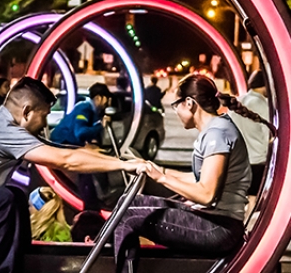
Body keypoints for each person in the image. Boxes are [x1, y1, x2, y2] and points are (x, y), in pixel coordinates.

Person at [0, 77, 137, 273]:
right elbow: (65, 159)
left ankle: (25, 260)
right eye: (44, 115)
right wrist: (123, 166)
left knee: (15, 196)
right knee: (3, 201)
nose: (45, 124)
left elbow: (60, 149)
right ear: (26, 112)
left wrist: (121, 162)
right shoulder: (5, 133)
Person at [112, 74, 270, 273]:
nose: (175, 111)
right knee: (128, 202)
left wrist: (161, 177)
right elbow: (199, 179)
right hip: (215, 223)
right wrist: (157, 169)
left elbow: (206, 193)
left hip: (219, 229)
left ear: (189, 103)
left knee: (127, 215)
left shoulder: (217, 133)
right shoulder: (214, 129)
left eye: (175, 105)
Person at [50, 82, 113, 211]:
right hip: (62, 144)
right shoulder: (84, 109)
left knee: (91, 166)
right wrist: (100, 126)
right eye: (107, 99)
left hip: (71, 145)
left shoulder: (94, 112)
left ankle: (94, 202)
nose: (108, 103)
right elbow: (80, 132)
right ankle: (90, 206)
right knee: (85, 169)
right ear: (98, 98)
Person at [228, 70, 269, 219]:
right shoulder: (262, 105)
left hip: (238, 160)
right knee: (253, 199)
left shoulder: (240, 101)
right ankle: (246, 229)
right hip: (256, 160)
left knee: (238, 200)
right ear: (265, 85)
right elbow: (267, 136)